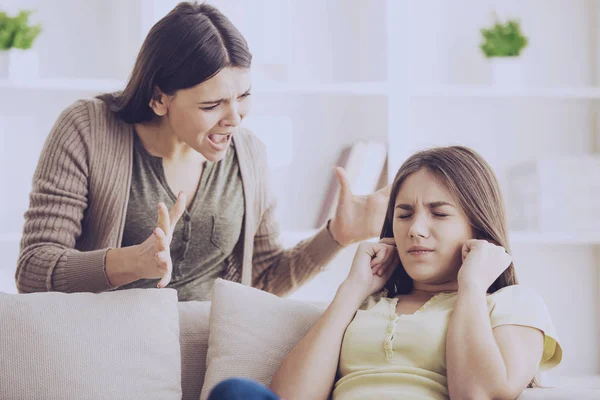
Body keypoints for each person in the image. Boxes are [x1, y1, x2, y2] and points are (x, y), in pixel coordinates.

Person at [14, 2, 390, 301]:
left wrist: (336, 236)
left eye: (243, 97)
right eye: (212, 106)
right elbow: (33, 271)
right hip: (112, 356)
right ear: (160, 98)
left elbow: (260, 282)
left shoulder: (249, 155)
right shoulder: (88, 129)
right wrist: (133, 262)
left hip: (209, 357)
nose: (235, 119)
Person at [207, 146, 563, 400]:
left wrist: (470, 288)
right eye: (405, 214)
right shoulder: (368, 303)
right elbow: (288, 396)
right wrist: (353, 289)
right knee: (235, 393)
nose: (416, 230)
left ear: (477, 227)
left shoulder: (513, 304)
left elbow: (479, 395)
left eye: (439, 214)